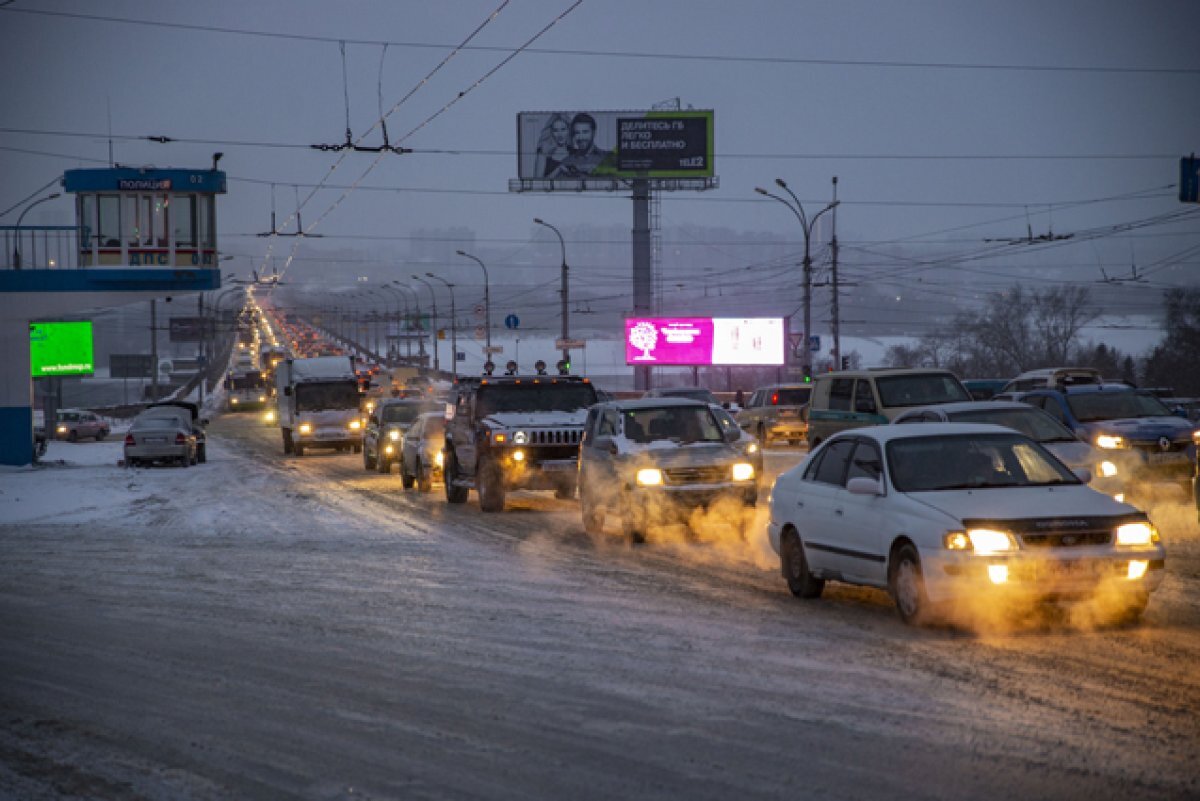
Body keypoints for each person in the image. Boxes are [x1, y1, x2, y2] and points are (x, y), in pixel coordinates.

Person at [548, 113, 610, 178]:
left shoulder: (608, 157)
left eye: (585, 132)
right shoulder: (567, 161)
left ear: (593, 133)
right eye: (577, 133)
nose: (581, 137)